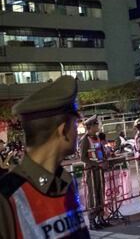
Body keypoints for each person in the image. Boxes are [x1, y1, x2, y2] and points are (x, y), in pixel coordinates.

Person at [0, 76, 90, 238]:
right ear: (63, 131)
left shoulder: (66, 182)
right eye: (76, 125)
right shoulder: (7, 199)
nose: (78, 131)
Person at [79, 114, 109, 230]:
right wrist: (98, 164)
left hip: (99, 170)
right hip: (91, 171)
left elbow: (99, 153)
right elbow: (83, 158)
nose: (98, 126)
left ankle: (101, 218)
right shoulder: (84, 140)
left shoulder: (96, 138)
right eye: (96, 125)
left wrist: (104, 161)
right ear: (90, 126)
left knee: (100, 193)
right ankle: (92, 220)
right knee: (93, 195)